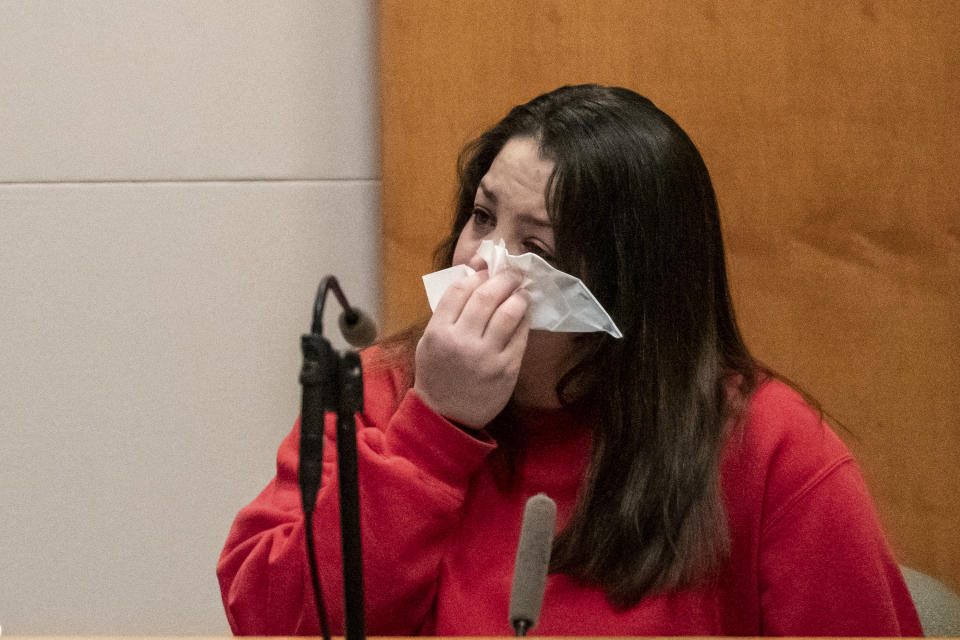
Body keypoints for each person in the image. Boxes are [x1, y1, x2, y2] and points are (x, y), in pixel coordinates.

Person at [217, 84, 921, 636]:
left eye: (538, 248)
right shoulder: (383, 391)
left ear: (626, 293)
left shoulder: (770, 447)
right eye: (483, 217)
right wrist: (433, 431)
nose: (481, 265)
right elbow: (271, 623)